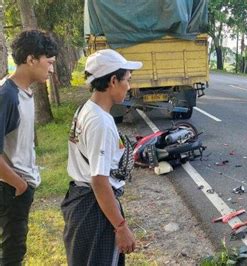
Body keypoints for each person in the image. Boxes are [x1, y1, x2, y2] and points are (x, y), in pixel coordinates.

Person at [61, 49, 142, 265]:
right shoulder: (101, 123)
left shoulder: (86, 109)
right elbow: (99, 180)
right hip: (94, 209)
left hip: (80, 199)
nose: (129, 86)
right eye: (127, 80)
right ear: (113, 81)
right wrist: (121, 226)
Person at [0, 30, 57, 265]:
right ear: (31, 59)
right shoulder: (7, 95)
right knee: (12, 254)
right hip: (10, 189)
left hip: (20, 186)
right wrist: (19, 184)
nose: (52, 69)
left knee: (16, 249)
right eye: (49, 62)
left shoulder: (25, 92)